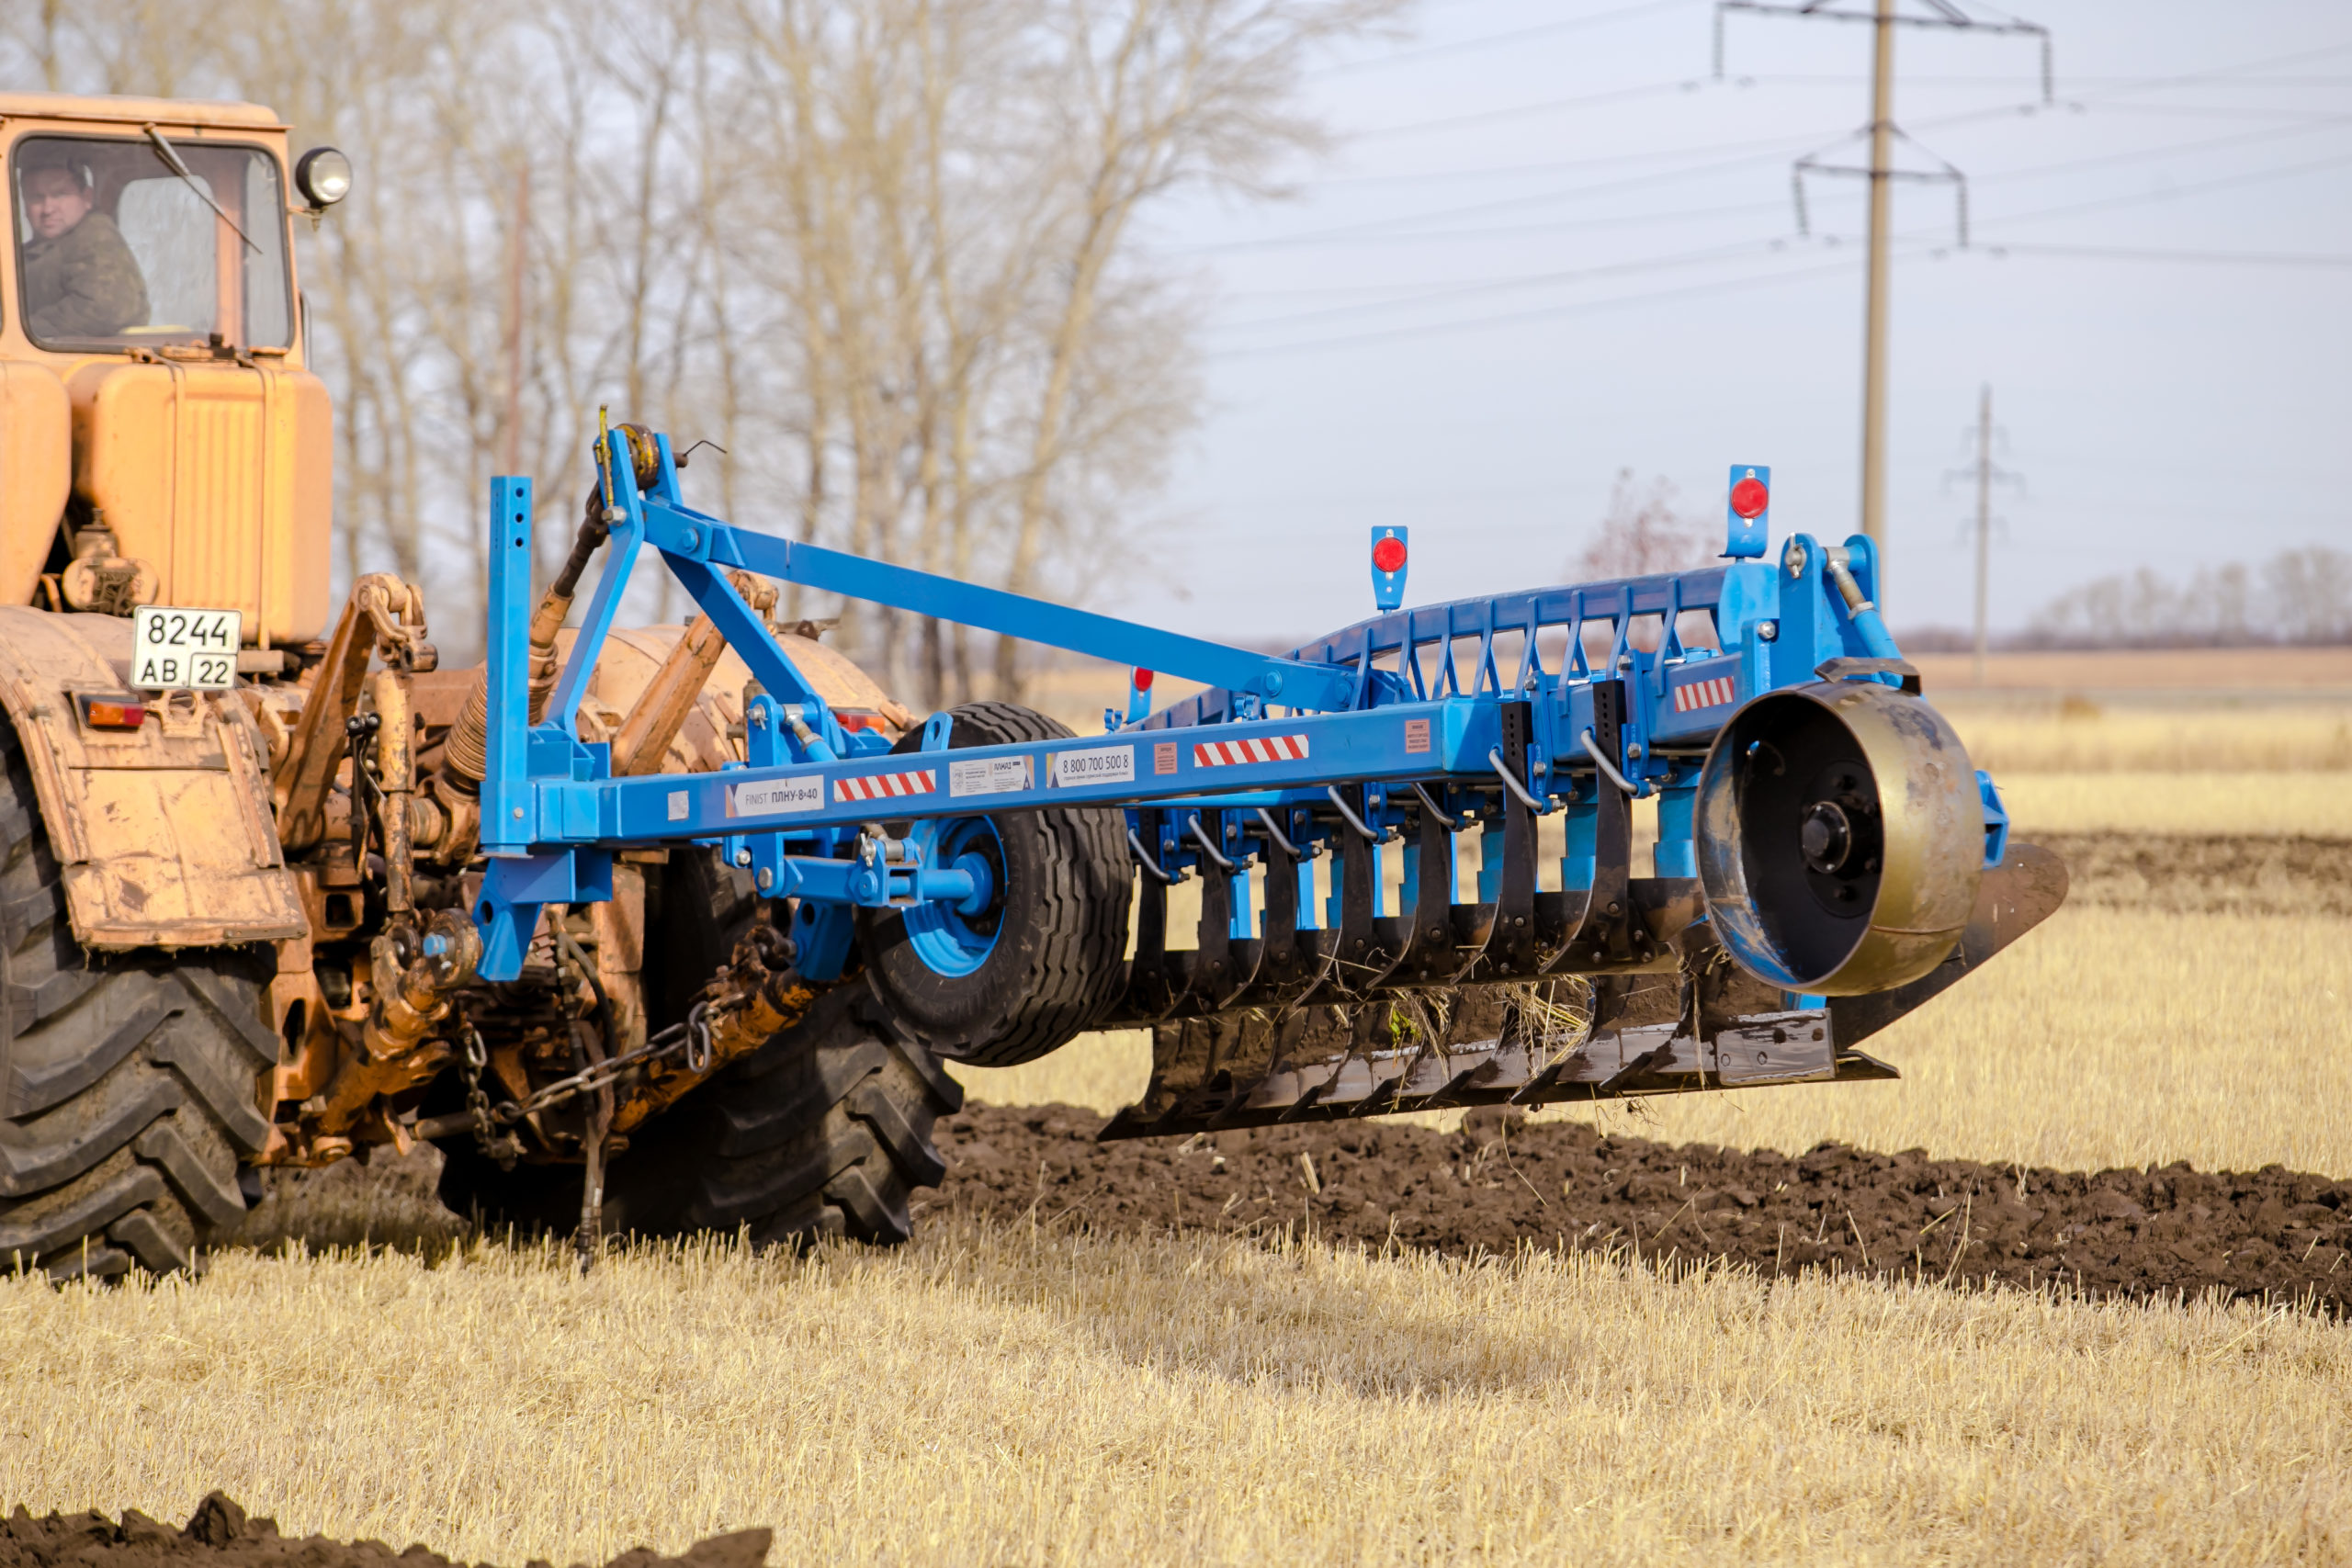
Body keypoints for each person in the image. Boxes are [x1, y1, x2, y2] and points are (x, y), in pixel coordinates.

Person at [17, 152, 148, 341]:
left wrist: (22, 328)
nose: (48, 209)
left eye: (60, 194)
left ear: (87, 198)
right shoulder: (33, 251)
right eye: (36, 198)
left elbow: (104, 309)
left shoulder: (96, 236)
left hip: (91, 365)